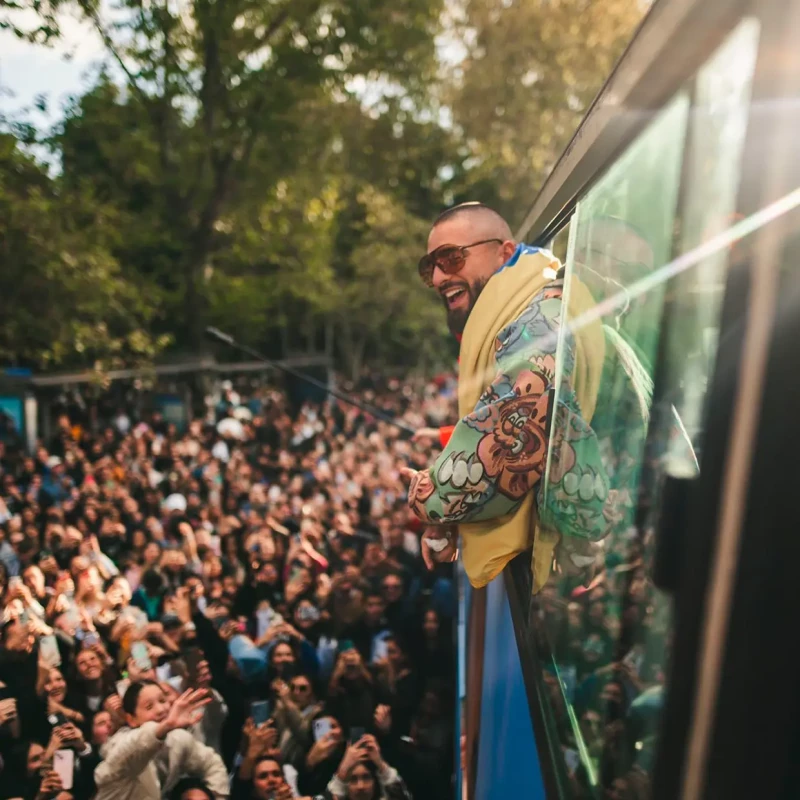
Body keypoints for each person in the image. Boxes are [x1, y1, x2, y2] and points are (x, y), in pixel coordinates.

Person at [402, 202, 608, 593]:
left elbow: (507, 453)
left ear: (506, 252)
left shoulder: (539, 321)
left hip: (559, 584)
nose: (442, 275)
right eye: (431, 268)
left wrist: (428, 499)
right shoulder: (532, 306)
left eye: (452, 257)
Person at [93, 682, 228, 800]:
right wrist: (165, 726)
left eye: (162, 701)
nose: (161, 710)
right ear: (131, 719)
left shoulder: (178, 738)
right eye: (149, 707)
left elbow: (212, 764)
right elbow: (137, 745)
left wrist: (217, 797)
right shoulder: (119, 745)